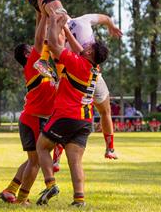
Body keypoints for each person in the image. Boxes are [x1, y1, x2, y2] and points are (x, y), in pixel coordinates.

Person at [36, 13, 109, 207]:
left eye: (89, 46)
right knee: (75, 161)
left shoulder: (78, 64)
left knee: (42, 147)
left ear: (89, 54)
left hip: (66, 115)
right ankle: (79, 199)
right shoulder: (94, 67)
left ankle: (50, 184)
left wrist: (53, 23)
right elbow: (79, 50)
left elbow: (53, 45)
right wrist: (66, 29)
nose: (86, 44)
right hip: (85, 120)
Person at [52, 13, 123, 171]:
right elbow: (104, 18)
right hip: (91, 76)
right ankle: (110, 148)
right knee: (105, 112)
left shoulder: (58, 28)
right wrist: (111, 26)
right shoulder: (82, 21)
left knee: (66, 114)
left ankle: (56, 159)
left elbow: (56, 51)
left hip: (70, 75)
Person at [0, 13, 58, 205]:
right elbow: (40, 39)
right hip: (33, 119)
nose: (35, 48)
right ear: (27, 54)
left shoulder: (43, 65)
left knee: (34, 159)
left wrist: (41, 15)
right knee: (36, 161)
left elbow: (44, 39)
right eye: (31, 49)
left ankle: (11, 190)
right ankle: (22, 199)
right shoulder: (33, 64)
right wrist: (43, 18)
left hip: (38, 118)